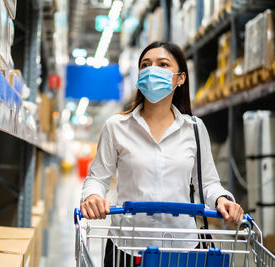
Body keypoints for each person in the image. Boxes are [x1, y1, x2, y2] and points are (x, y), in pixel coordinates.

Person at [80, 41, 244, 266]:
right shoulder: (116, 126)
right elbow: (97, 178)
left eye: (163, 64)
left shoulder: (194, 128)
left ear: (180, 78)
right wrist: (92, 197)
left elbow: (208, 184)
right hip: (127, 246)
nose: (151, 70)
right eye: (145, 65)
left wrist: (222, 199)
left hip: (181, 246)